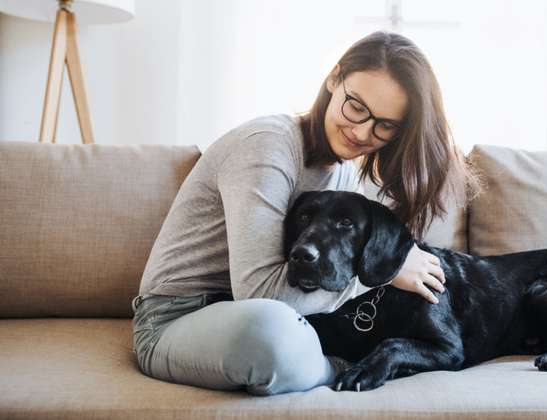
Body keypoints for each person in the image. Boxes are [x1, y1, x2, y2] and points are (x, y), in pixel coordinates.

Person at [131, 31, 481, 396]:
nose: (362, 132)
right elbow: (259, 293)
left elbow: (329, 279)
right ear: (334, 78)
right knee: (270, 332)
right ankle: (332, 368)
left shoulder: (343, 169)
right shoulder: (268, 145)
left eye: (385, 125)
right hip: (176, 319)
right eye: (356, 106)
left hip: (267, 315)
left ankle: (314, 363)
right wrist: (386, 274)